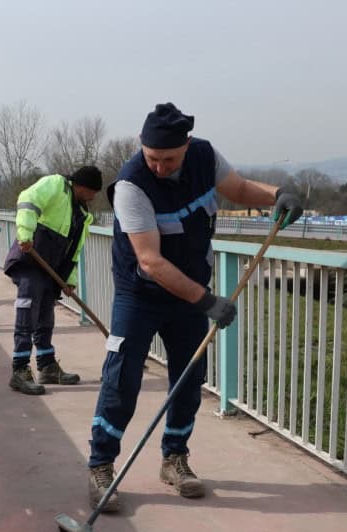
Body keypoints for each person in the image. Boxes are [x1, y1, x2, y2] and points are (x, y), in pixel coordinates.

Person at [87, 102, 303, 510]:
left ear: (186, 146)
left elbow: (238, 189)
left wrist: (279, 193)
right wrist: (207, 301)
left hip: (189, 291)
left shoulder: (204, 156)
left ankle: (175, 458)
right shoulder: (132, 185)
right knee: (123, 377)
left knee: (189, 377)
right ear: (141, 148)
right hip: (141, 295)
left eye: (169, 159)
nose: (160, 167)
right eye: (152, 158)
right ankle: (101, 465)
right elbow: (150, 262)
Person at [2, 166, 102, 395]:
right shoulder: (56, 185)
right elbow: (28, 200)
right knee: (28, 310)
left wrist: (70, 280)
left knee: (46, 316)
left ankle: (47, 366)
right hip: (31, 260)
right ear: (82, 187)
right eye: (92, 192)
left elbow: (74, 252)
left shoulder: (83, 216)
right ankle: (19, 369)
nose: (93, 197)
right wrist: (25, 234)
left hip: (51, 269)